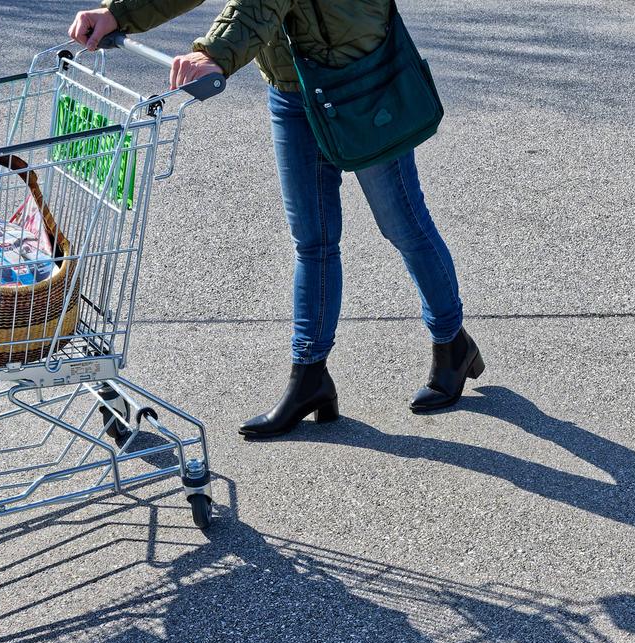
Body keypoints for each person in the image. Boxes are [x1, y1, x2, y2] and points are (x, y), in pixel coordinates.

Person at [69, 0, 484, 438]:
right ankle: (310, 377)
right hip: (291, 88)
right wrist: (118, 12)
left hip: (357, 79)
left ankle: (451, 342)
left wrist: (215, 52)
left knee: (404, 225)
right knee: (313, 240)